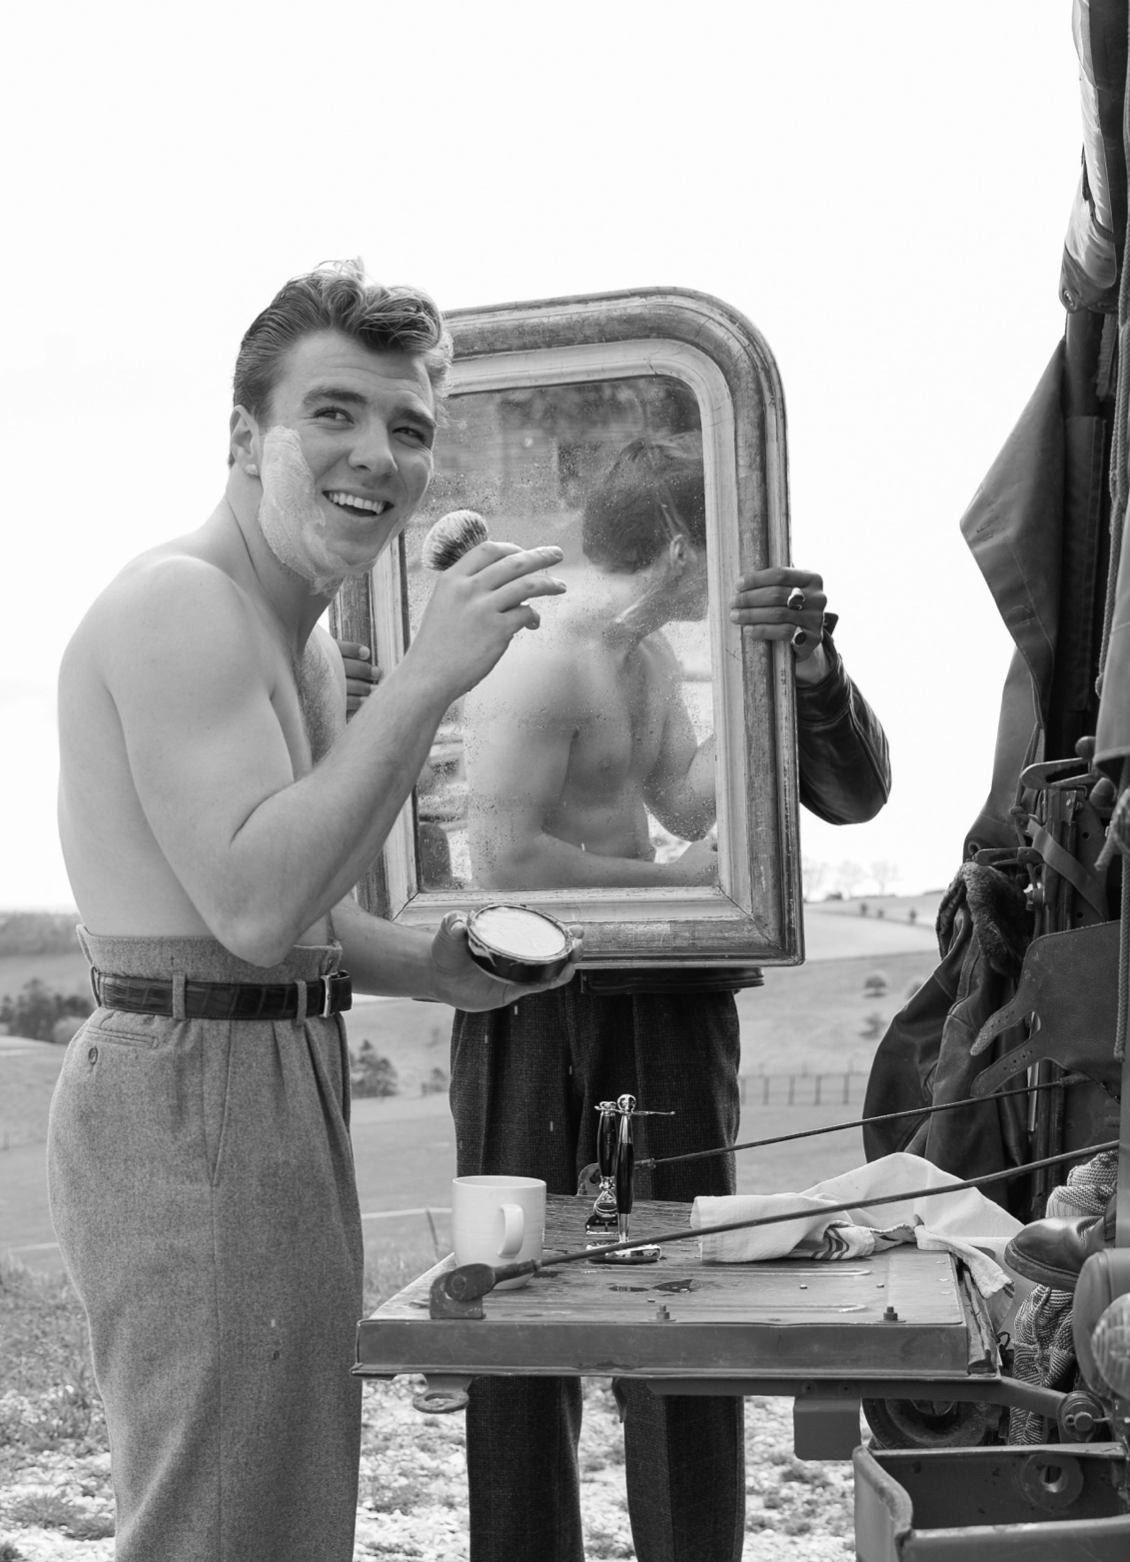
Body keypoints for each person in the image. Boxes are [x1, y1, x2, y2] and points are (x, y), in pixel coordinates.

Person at [48, 260, 582, 1562]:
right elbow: (251, 906)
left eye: (408, 425)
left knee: (282, 1502)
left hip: (271, 1063)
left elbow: (310, 919)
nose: (377, 454)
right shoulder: (182, 605)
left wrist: (439, 966)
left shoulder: (294, 636)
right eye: (332, 413)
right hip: (187, 1083)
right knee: (219, 1515)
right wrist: (428, 679)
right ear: (247, 437)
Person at [445, 441, 891, 1562]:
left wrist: (774, 688)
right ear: (687, 543)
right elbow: (505, 858)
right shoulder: (543, 657)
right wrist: (679, 881)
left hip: (666, 991)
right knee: (513, 1293)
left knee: (685, 1288)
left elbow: (686, 801)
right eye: (727, 542)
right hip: (527, 1008)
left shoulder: (638, 657)